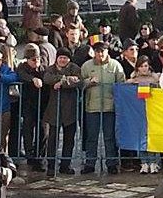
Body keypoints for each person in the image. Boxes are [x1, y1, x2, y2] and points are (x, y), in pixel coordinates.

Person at [81, 42, 126, 175]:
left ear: (107, 52)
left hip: (110, 107)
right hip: (92, 106)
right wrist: (88, 82)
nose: (100, 54)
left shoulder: (115, 65)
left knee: (109, 137)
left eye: (103, 51)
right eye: (98, 51)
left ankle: (111, 163)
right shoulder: (87, 66)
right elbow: (80, 82)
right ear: (94, 52)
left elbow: (121, 83)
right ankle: (90, 163)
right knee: (92, 137)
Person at [44, 48, 81, 176]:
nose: (62, 60)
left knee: (69, 140)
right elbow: (47, 79)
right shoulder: (50, 68)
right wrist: (64, 78)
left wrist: (61, 83)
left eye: (65, 58)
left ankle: (65, 165)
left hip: (70, 109)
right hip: (54, 109)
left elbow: (77, 81)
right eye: (60, 57)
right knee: (52, 139)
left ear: (69, 59)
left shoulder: (75, 68)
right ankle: (51, 165)